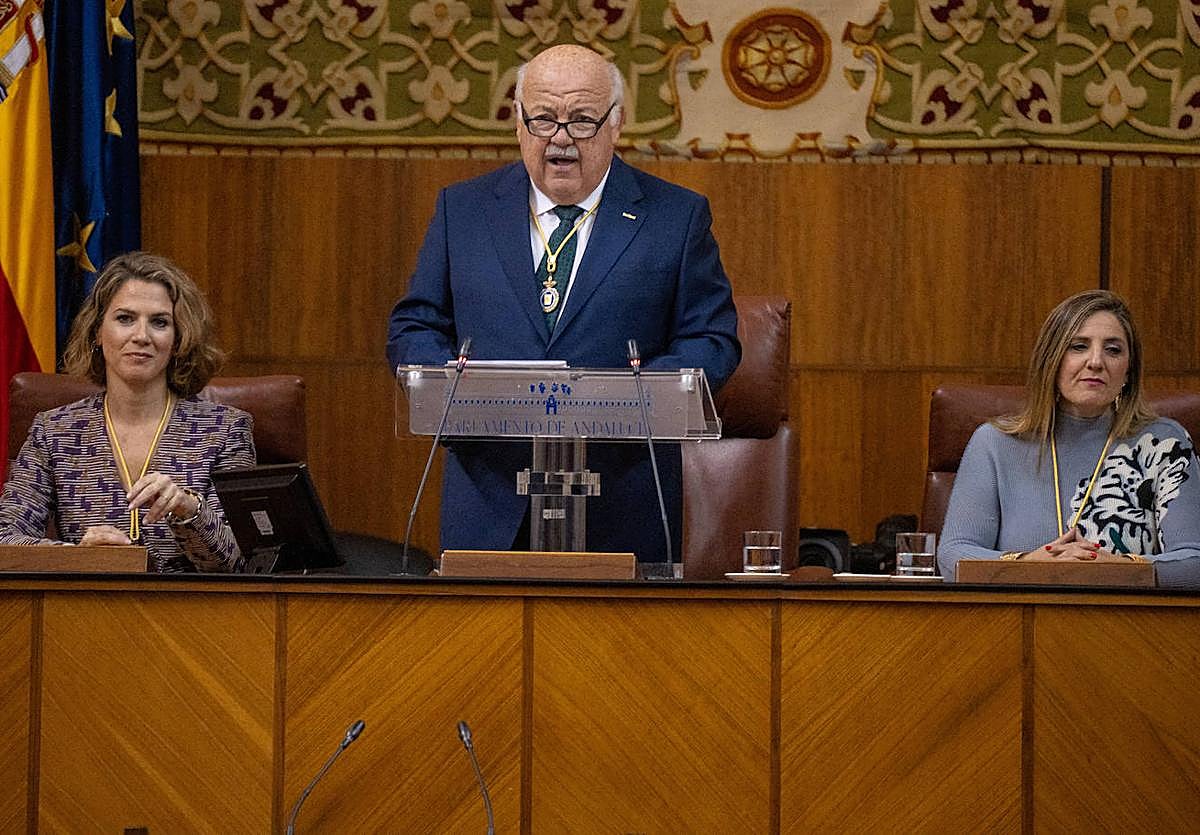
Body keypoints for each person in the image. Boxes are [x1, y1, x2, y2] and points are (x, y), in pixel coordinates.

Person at [386, 44, 740, 562]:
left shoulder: (675, 218)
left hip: (621, 499)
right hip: (489, 499)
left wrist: (624, 401)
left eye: (581, 121)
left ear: (616, 124)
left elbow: (713, 341)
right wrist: (458, 387)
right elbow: (414, 326)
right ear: (518, 122)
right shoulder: (462, 210)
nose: (560, 139)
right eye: (544, 120)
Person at [0, 251, 256, 572]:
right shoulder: (55, 431)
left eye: (160, 322)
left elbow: (239, 561)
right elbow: (5, 539)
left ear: (178, 339)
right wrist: (78, 556)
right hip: (85, 612)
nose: (141, 336)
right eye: (125, 319)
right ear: (97, 331)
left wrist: (187, 508)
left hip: (189, 615)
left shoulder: (225, 429)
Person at [938, 290, 1200, 587]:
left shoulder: (1164, 443)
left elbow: (1194, 561)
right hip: (1019, 624)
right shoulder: (995, 443)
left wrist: (1116, 568)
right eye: (1078, 346)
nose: (1096, 361)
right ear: (1052, 361)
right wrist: (1030, 564)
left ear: (1128, 370)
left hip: (1132, 626)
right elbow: (953, 557)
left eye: (1113, 350)